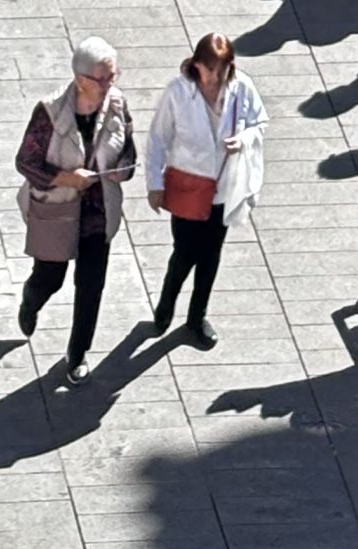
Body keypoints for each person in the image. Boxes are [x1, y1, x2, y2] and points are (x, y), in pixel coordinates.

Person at [15, 38, 136, 381]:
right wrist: (67, 178)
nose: (111, 84)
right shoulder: (50, 111)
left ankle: (77, 355)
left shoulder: (117, 103)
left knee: (91, 285)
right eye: (104, 78)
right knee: (50, 278)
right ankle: (31, 299)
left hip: (98, 215)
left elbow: (129, 152)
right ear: (81, 79)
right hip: (58, 211)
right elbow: (26, 162)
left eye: (114, 75)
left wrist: (121, 170)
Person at [145, 35, 267, 349]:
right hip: (188, 186)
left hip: (223, 188)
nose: (215, 78)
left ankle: (196, 318)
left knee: (211, 256)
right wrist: (155, 186)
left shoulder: (242, 88)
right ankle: (166, 304)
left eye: (222, 70)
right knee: (184, 254)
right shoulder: (178, 92)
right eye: (210, 69)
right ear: (197, 64)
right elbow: (158, 139)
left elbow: (259, 122)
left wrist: (244, 140)